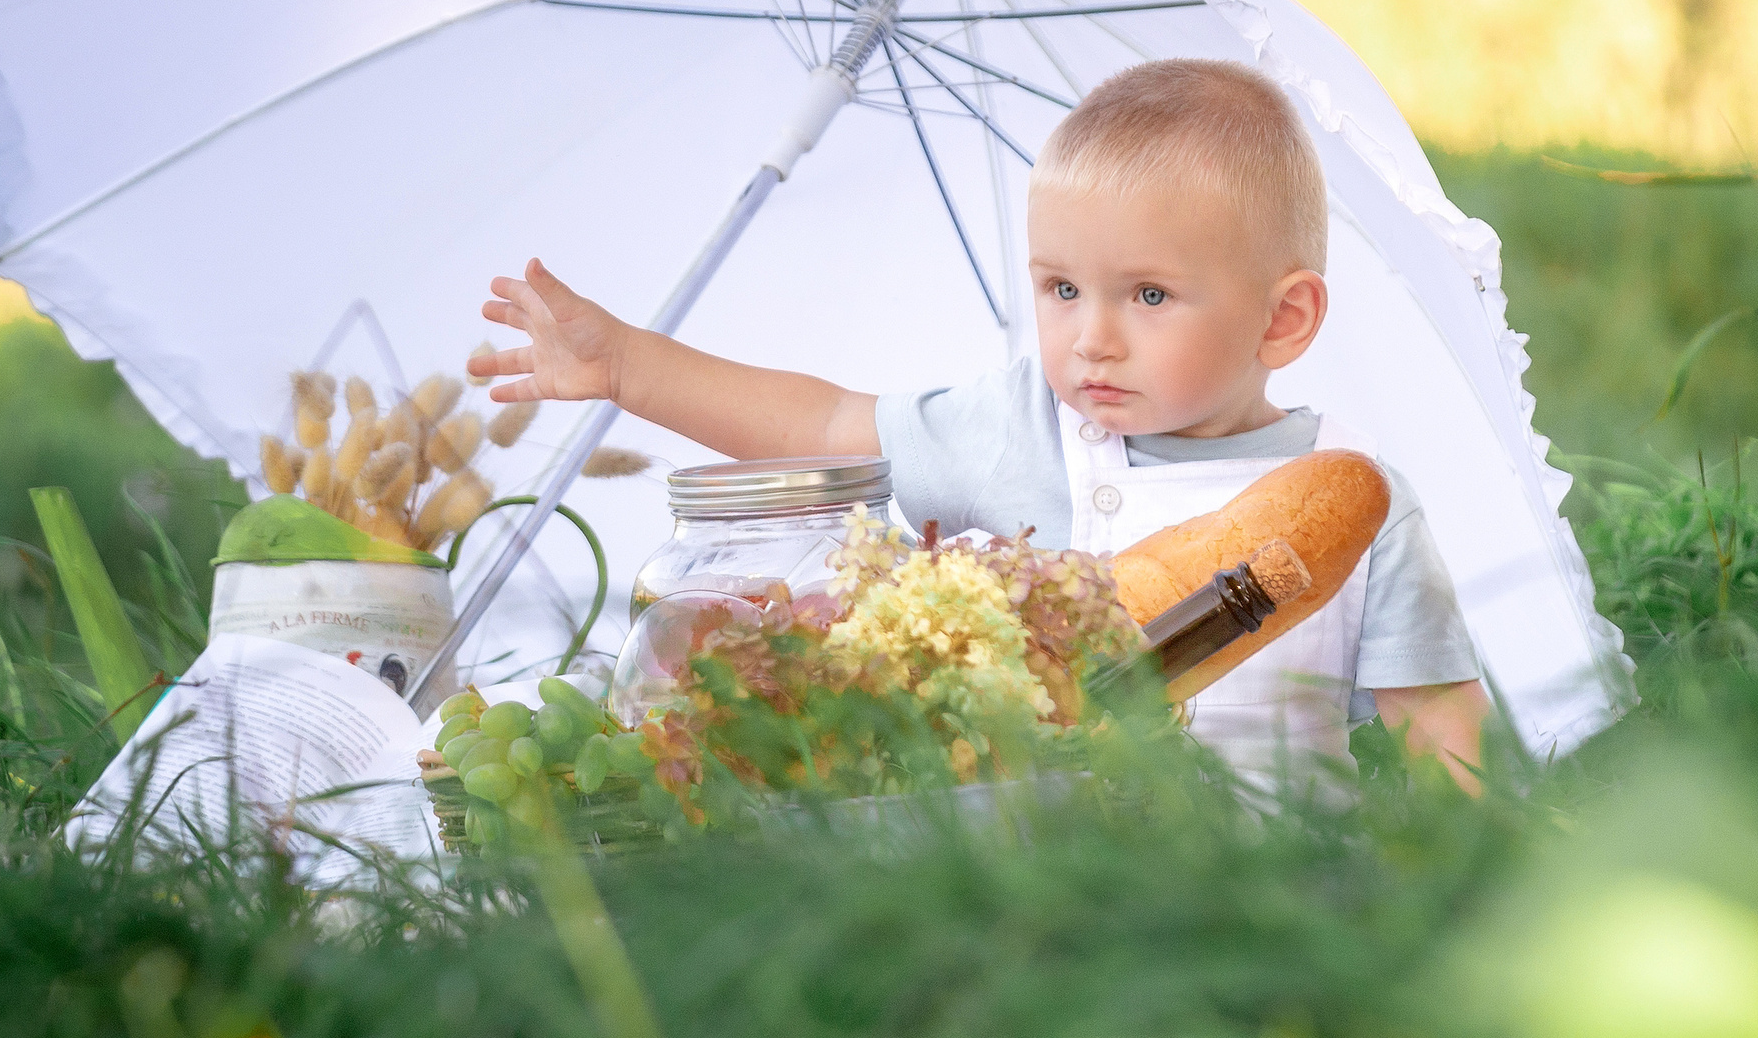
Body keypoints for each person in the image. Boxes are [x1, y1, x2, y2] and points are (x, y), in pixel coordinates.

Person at [468, 58, 1492, 795]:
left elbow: (1436, 733)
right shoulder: (1022, 429)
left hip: (1272, 896)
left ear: (1282, 317)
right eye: (1058, 287)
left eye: (1146, 294)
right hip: (1043, 890)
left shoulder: (1361, 508)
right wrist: (629, 366)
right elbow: (826, 422)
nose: (1089, 339)